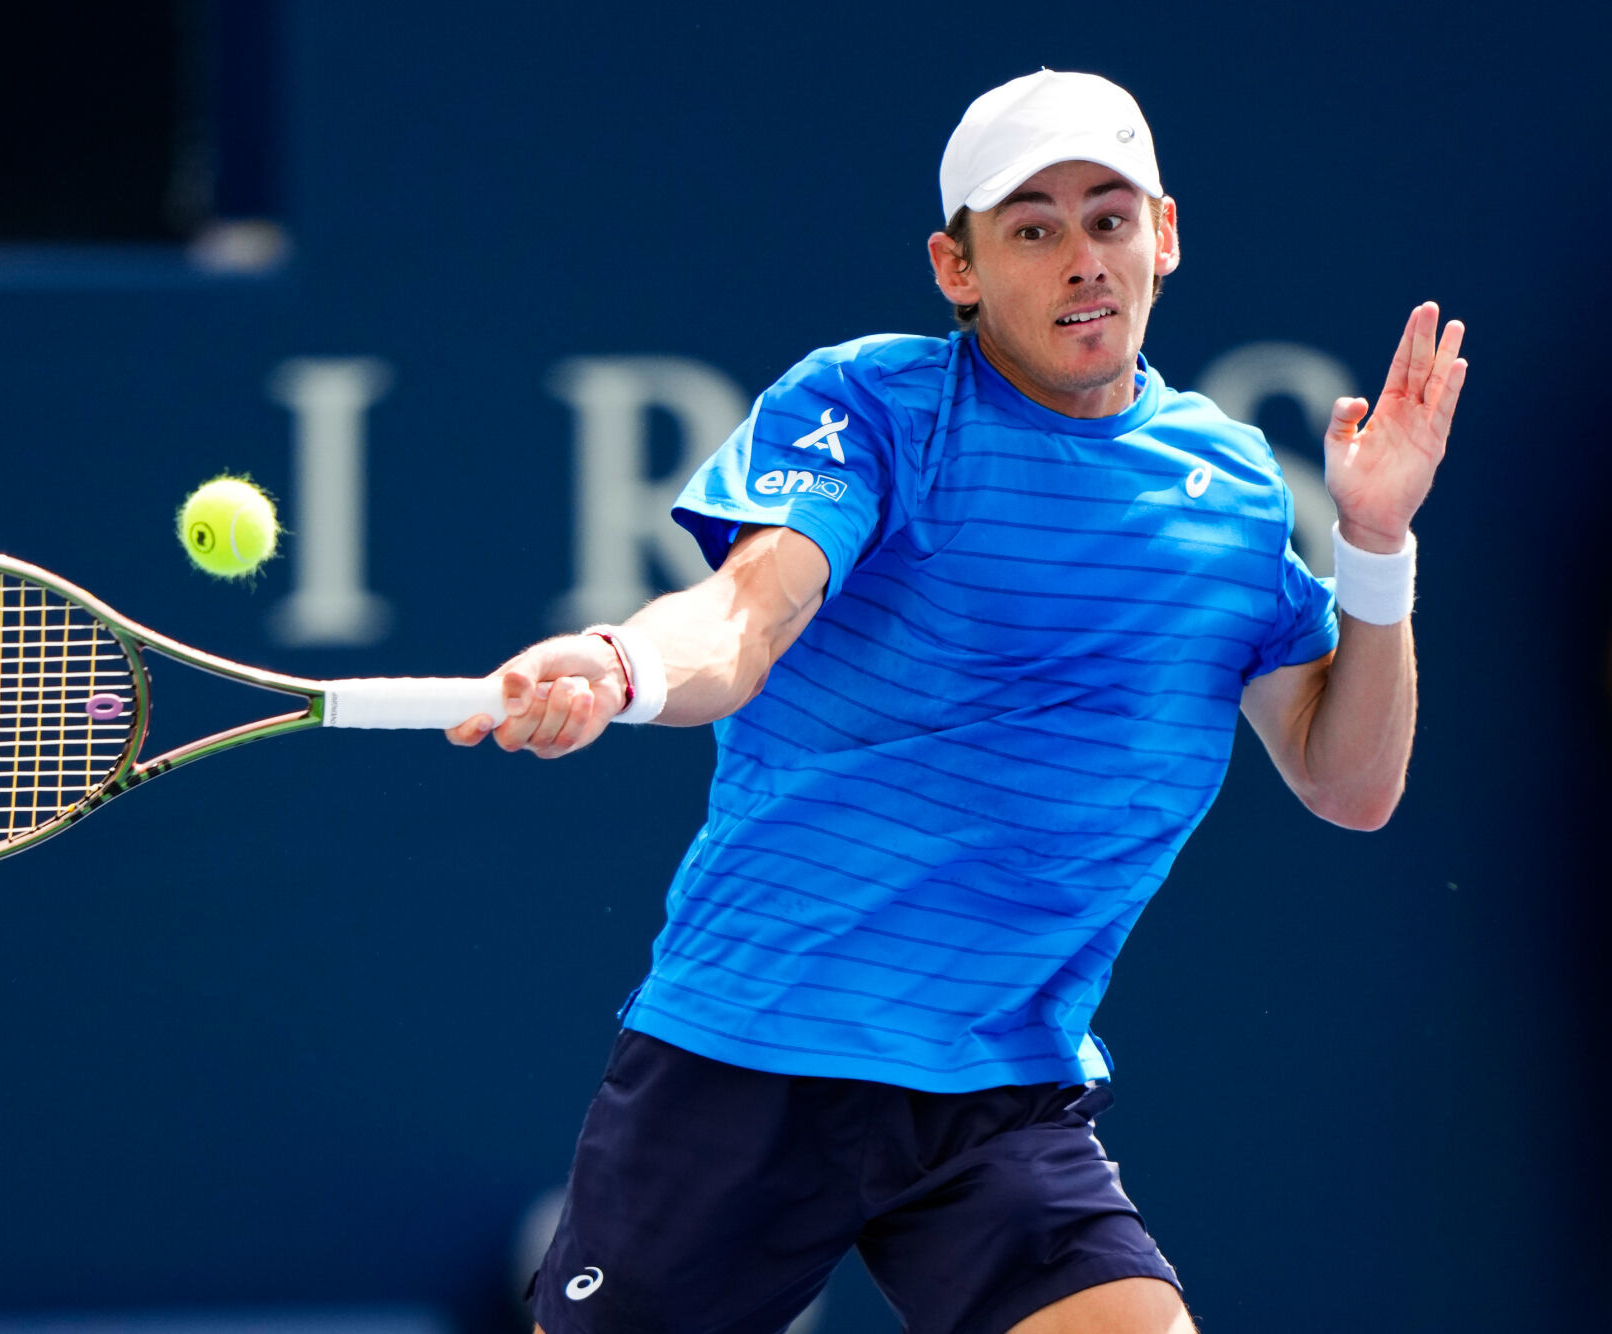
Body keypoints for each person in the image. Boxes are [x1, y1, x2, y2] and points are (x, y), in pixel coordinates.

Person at [450, 69, 1466, 1334]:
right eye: (1030, 229)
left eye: (1106, 218)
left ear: (1161, 235)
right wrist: (621, 664)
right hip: (753, 1047)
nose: (1080, 258)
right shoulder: (870, 406)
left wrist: (1373, 544)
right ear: (957, 267)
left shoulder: (1232, 490)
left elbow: (1349, 782)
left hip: (999, 1085)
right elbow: (745, 617)